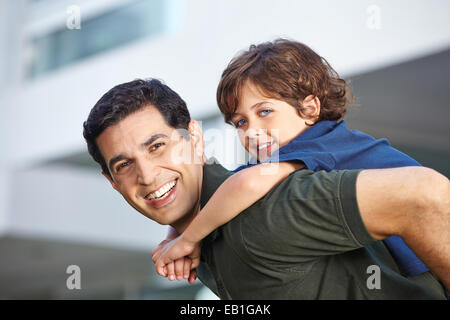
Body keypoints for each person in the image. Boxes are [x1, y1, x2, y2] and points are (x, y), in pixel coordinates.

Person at [83, 78, 450, 299]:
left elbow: (423, 194)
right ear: (112, 183)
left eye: (157, 146)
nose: (146, 175)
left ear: (194, 138)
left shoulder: (263, 211)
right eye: (124, 165)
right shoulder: (202, 246)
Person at [153, 39, 430, 281]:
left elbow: (246, 185)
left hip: (426, 264)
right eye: (240, 122)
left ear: (309, 109)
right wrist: (173, 236)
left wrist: (189, 239)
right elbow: (222, 188)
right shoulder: (287, 154)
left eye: (264, 112)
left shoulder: (320, 142)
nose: (251, 131)